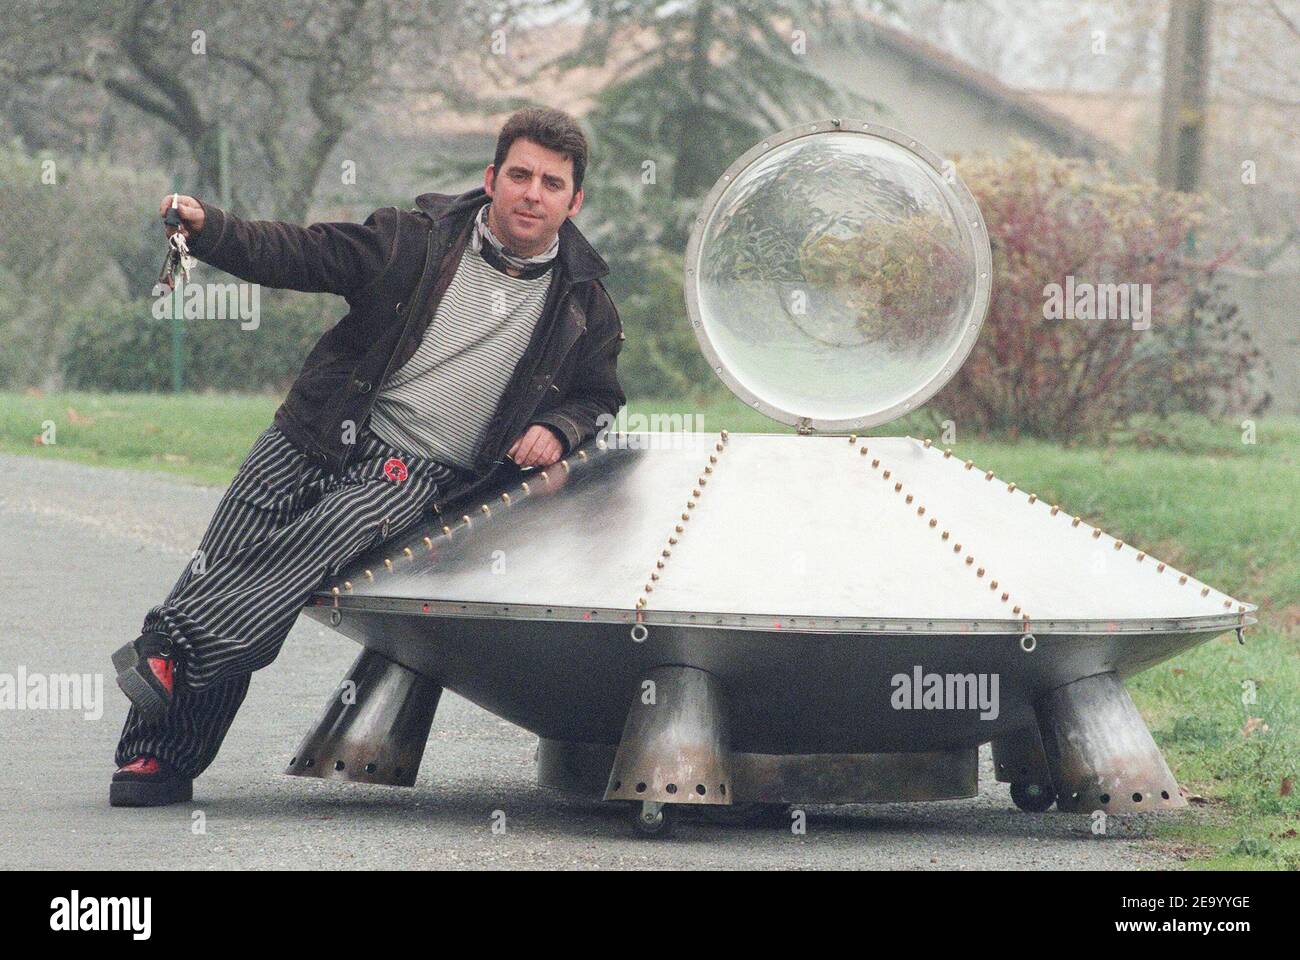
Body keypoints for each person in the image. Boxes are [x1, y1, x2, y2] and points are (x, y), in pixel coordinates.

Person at [109, 107, 626, 806]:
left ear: (575, 200)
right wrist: (213, 230)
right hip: (315, 431)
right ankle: (157, 760)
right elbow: (301, 253)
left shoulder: (585, 307)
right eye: (520, 175)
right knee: (225, 564)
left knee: (328, 532)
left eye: (551, 183)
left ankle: (170, 650)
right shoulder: (414, 242)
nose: (533, 193)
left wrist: (562, 428)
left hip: (415, 466)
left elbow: (600, 396)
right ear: (491, 179)